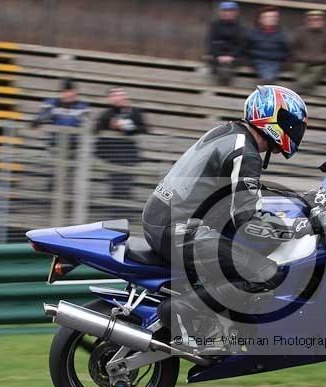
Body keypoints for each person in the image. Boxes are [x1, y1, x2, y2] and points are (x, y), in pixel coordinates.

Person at [141, 86, 312, 340]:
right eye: (290, 123)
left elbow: (233, 202)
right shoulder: (246, 152)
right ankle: (181, 310)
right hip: (180, 230)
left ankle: (217, 328)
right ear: (271, 117)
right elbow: (246, 221)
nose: (294, 131)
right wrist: (292, 229)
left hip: (164, 223)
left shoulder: (229, 133)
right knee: (267, 274)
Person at [94, 87, 147, 204]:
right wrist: (111, 125)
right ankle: (115, 215)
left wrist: (125, 127)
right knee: (115, 188)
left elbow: (144, 129)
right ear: (110, 98)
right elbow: (96, 130)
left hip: (129, 157)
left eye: (121, 94)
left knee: (126, 187)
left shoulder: (135, 112)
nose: (119, 97)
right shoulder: (106, 115)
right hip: (113, 157)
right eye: (115, 95)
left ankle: (124, 214)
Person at [31, 79, 88, 151]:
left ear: (76, 92)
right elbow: (43, 115)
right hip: (54, 146)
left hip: (73, 148)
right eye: (66, 91)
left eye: (71, 91)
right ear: (61, 92)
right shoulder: (53, 103)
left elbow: (87, 123)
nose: (69, 94)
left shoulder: (82, 107)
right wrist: (39, 119)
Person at [291, 10, 326, 94]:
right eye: (312, 19)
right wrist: (305, 57)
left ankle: (303, 87)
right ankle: (302, 88)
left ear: (324, 21)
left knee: (315, 73)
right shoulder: (300, 32)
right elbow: (294, 49)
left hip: (322, 64)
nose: (315, 22)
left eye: (318, 19)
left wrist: (321, 58)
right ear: (307, 21)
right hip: (303, 62)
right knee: (299, 67)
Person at [246, 7, 289, 84]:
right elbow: (247, 49)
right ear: (260, 20)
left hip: (275, 62)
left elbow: (286, 52)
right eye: (268, 17)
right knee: (267, 75)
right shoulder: (252, 33)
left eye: (274, 17)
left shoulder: (282, 35)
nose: (271, 19)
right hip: (258, 61)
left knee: (269, 76)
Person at [207, 1, 244, 86]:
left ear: (236, 12)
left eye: (231, 10)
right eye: (225, 10)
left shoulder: (240, 28)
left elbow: (241, 45)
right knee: (218, 66)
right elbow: (210, 42)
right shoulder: (214, 26)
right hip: (217, 56)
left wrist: (231, 56)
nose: (228, 13)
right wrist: (218, 55)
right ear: (220, 12)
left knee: (227, 68)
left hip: (233, 58)